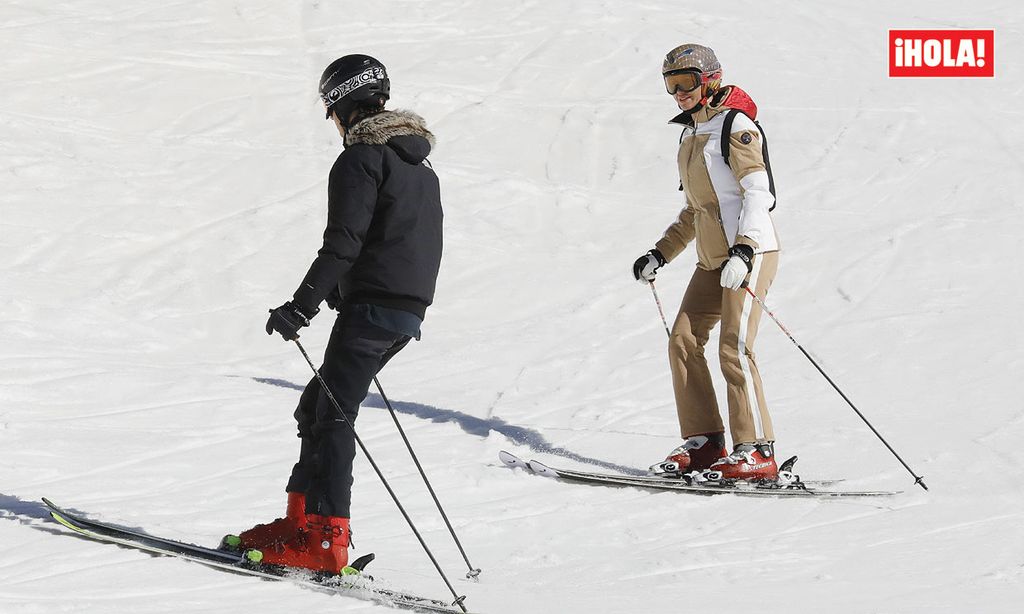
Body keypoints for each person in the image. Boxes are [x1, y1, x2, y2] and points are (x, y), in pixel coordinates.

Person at [227, 54, 443, 574]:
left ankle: (326, 540)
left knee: (333, 414)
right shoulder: (419, 166)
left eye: (331, 112)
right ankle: (302, 522)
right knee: (316, 406)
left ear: (342, 106)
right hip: (402, 310)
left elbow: (342, 243)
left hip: (373, 308)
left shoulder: (362, 159)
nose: (333, 124)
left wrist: (300, 306)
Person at [633, 44, 781, 481]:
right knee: (682, 339)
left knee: (734, 347)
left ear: (710, 79)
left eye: (686, 83)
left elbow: (759, 194)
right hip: (712, 260)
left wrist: (745, 248)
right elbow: (697, 210)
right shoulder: (690, 134)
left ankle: (757, 450)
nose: (678, 93)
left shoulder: (736, 127)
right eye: (670, 85)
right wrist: (660, 252)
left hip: (749, 254)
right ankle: (705, 442)